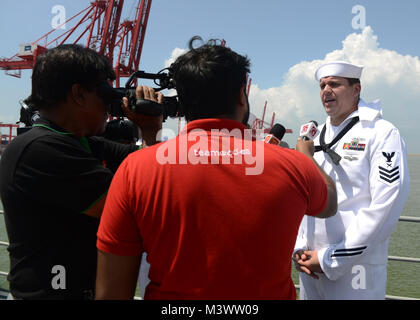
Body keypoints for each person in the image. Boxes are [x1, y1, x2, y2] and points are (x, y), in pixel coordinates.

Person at [95, 37, 337, 300]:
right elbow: (329, 204)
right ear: (240, 97)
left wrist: (149, 133)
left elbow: (111, 292)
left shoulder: (135, 168)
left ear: (181, 105)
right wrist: (307, 157)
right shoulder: (295, 165)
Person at [0, 44, 162, 300]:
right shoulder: (40, 149)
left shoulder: (79, 142)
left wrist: (150, 130)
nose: (109, 109)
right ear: (78, 94)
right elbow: (128, 210)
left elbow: (149, 164)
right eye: (105, 97)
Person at [293, 61, 410, 299]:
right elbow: (303, 198)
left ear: (356, 90)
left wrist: (330, 258)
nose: (326, 90)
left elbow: (385, 207)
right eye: (322, 85)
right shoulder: (313, 138)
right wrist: (298, 248)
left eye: (335, 84)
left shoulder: (381, 133)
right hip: (310, 267)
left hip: (355, 272)